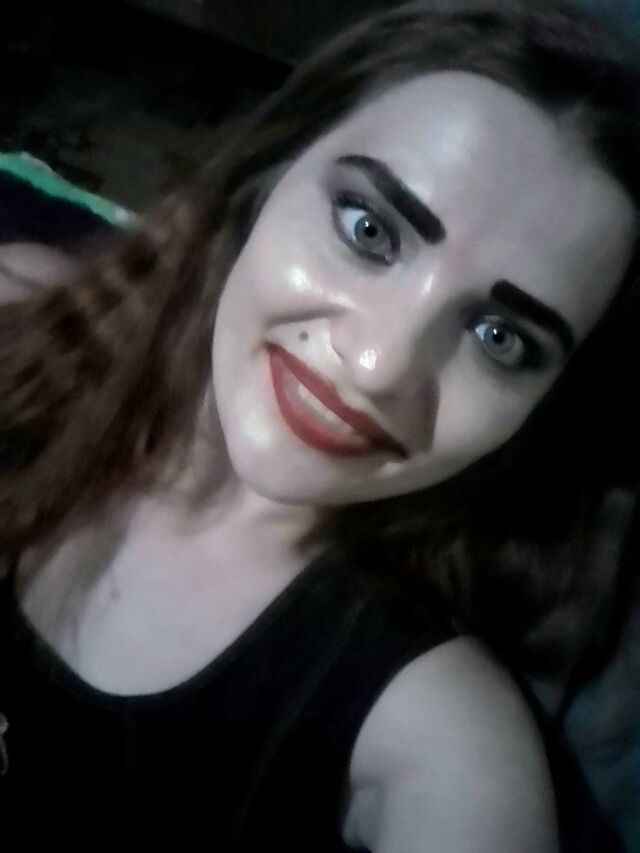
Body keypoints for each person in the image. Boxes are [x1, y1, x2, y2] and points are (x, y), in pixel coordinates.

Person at [1, 0, 639, 849]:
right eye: (369, 230)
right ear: (266, 174)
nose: (377, 365)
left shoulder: (439, 733)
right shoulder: (25, 321)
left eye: (500, 338)